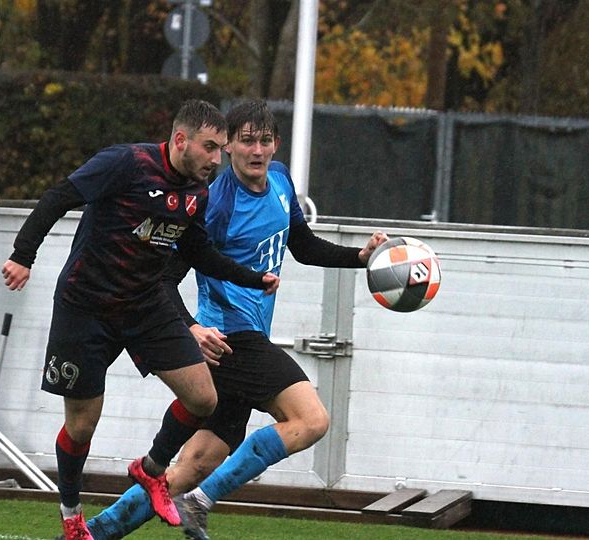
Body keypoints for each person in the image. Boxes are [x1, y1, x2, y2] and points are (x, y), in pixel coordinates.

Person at [83, 99, 388, 540]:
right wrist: (191, 327)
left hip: (236, 346)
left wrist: (360, 257)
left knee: (191, 467)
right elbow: (163, 278)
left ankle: (93, 533)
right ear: (228, 147)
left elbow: (302, 246)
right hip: (232, 339)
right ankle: (201, 502)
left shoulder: (280, 180)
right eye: (245, 142)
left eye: (264, 141)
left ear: (276, 143)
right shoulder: (216, 203)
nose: (256, 151)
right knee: (311, 420)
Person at [2, 99, 280, 540]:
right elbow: (60, 196)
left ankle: (151, 470)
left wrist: (252, 277)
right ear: (181, 140)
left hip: (145, 306)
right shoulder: (127, 163)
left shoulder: (198, 190)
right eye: (210, 147)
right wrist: (23, 255)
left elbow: (199, 252)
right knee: (82, 425)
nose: (217, 158)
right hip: (86, 307)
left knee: (203, 398)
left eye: (220, 148)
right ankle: (72, 518)